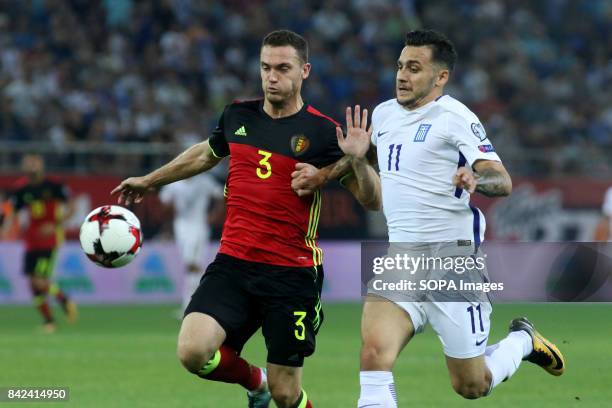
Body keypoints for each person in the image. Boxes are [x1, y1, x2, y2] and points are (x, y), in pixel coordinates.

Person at [292, 30, 565, 406]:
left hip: (452, 263)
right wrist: (326, 174)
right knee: (373, 355)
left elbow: (502, 180)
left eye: (414, 68)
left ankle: (522, 341)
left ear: (440, 77)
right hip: (400, 258)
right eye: (400, 66)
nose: (402, 75)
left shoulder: (455, 118)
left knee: (472, 385)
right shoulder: (385, 114)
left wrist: (475, 178)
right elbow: (373, 156)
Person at [111, 29, 378, 408]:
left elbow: (372, 201)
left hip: (290, 274)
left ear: (305, 71)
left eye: (283, 68)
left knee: (288, 394)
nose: (272, 77)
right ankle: (256, 383)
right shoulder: (238, 114)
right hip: (233, 264)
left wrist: (357, 160)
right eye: (266, 67)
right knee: (192, 351)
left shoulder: (323, 132)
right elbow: (205, 154)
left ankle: (273, 389)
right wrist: (151, 181)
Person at [2, 154, 77, 333]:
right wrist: (5, 228)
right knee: (32, 284)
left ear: (42, 165)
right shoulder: (21, 189)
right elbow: (11, 212)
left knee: (39, 280)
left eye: (35, 162)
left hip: (49, 241)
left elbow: (72, 207)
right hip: (31, 241)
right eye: (28, 163)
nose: (32, 166)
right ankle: (49, 321)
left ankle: (64, 299)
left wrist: (56, 225)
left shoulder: (54, 185)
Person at [158, 173, 223, 316]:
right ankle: (198, 302)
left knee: (193, 264)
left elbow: (220, 195)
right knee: (191, 265)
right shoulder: (174, 183)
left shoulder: (204, 180)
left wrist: (214, 216)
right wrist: (170, 207)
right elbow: (164, 204)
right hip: (181, 226)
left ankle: (189, 304)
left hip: (200, 225)